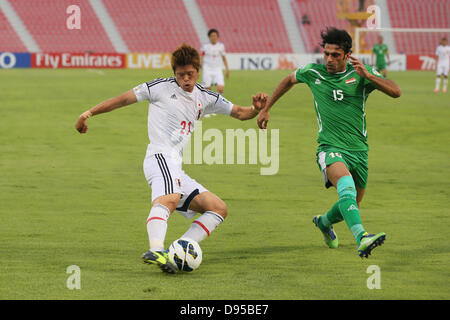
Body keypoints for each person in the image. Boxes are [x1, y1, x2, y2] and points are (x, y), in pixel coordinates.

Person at [75, 43, 267, 273]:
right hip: (159, 156)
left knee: (217, 208)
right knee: (170, 199)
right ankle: (156, 249)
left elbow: (239, 113)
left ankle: (181, 248)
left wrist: (255, 109)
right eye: (180, 74)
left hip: (175, 165)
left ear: (198, 70)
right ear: (174, 72)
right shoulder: (159, 88)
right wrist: (88, 113)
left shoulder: (205, 96)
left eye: (190, 74)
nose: (186, 79)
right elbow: (122, 100)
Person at [257, 27, 401, 258]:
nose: (329, 59)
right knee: (347, 188)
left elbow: (396, 92)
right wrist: (266, 109)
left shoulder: (361, 75)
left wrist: (370, 76)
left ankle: (324, 222)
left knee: (350, 204)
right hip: (330, 148)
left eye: (335, 55)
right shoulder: (313, 72)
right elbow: (287, 80)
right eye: (326, 54)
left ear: (347, 55)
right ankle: (362, 238)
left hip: (359, 151)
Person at [200, 29, 230, 95]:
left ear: (217, 37)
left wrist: (227, 69)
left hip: (217, 69)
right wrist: (198, 68)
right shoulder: (205, 46)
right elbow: (201, 57)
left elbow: (224, 58)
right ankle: (209, 104)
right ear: (209, 37)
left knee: (221, 89)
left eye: (215, 36)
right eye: (212, 36)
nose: (213, 37)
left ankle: (216, 102)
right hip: (207, 69)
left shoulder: (221, 46)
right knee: (207, 90)